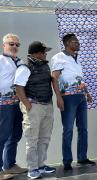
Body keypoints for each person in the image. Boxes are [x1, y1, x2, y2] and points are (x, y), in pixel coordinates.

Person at [51, 33, 96, 170]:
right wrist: (59, 98)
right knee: (68, 129)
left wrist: (87, 93)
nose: (78, 43)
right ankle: (67, 161)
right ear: (67, 43)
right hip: (68, 98)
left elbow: (78, 79)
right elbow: (54, 78)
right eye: (75, 41)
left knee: (83, 129)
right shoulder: (59, 57)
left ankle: (82, 158)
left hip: (81, 97)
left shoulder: (76, 59)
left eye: (77, 41)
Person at [15, 41, 56, 179]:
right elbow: (19, 88)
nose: (45, 54)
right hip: (34, 106)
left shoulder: (45, 66)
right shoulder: (25, 67)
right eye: (44, 52)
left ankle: (41, 165)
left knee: (44, 137)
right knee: (32, 139)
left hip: (47, 105)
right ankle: (32, 169)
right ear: (37, 53)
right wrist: (27, 105)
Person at [0, 33, 27, 180]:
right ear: (4, 45)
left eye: (17, 44)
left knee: (15, 135)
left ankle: (9, 165)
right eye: (11, 44)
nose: (15, 47)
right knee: (2, 136)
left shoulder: (20, 61)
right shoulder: (0, 60)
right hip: (3, 105)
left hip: (18, 104)